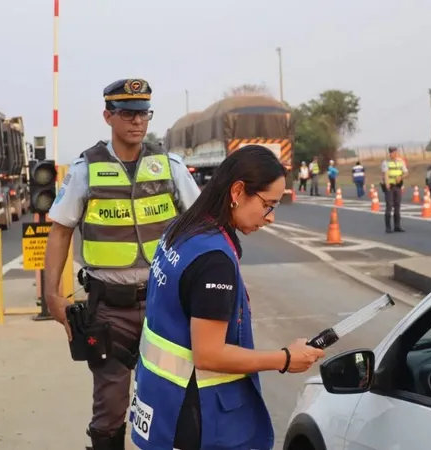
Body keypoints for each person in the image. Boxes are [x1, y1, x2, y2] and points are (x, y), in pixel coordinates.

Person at [129, 145, 326, 450]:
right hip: (197, 416)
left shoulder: (179, 230)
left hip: (161, 402)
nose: (270, 217)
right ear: (237, 191)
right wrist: (285, 358)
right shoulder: (214, 260)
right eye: (268, 204)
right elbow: (209, 354)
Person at [43, 78, 201, 450]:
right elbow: (60, 233)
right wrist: (51, 295)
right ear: (108, 117)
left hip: (167, 306)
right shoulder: (85, 170)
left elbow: (202, 225)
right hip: (109, 309)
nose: (137, 122)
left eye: (143, 113)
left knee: (179, 399)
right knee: (110, 408)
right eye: (127, 113)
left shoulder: (169, 166)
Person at [381, 146, 408, 233]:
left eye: (395, 152)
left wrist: (401, 177)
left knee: (397, 205)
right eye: (392, 153)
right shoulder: (386, 163)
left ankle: (397, 226)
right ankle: (388, 227)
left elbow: (406, 172)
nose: (393, 154)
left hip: (398, 186)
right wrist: (387, 183)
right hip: (390, 186)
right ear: (390, 153)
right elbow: (385, 174)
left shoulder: (401, 162)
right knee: (389, 205)